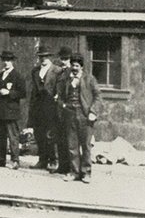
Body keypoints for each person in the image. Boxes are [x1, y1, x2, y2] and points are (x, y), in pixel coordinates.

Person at [56, 53, 101, 183]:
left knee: (86, 145)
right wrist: (63, 105)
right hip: (69, 114)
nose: (74, 68)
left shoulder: (89, 79)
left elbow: (98, 96)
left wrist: (93, 111)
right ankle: (74, 171)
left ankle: (86, 172)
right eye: (72, 65)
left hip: (85, 115)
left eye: (77, 65)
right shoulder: (65, 79)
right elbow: (58, 96)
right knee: (72, 145)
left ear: (81, 66)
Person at [29, 46, 62, 170]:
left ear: (50, 57)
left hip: (51, 107)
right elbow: (34, 90)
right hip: (38, 107)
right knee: (39, 134)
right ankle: (42, 160)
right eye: (41, 56)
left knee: (51, 135)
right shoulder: (35, 71)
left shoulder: (57, 71)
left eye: (46, 56)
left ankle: (53, 160)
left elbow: (59, 89)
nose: (43, 59)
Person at [0, 50, 27, 169]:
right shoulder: (0, 75)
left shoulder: (17, 75)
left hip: (12, 111)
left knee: (13, 136)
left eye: (8, 60)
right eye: (4, 60)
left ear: (12, 61)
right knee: (0, 136)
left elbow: (23, 93)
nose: (6, 62)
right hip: (1, 110)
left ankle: (15, 160)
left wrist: (9, 92)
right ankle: (1, 159)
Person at [54, 45, 74, 176]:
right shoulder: (60, 72)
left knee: (69, 140)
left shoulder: (72, 72)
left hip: (68, 109)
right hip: (59, 108)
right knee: (60, 138)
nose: (63, 61)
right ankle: (62, 165)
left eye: (66, 59)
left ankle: (70, 167)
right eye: (62, 58)